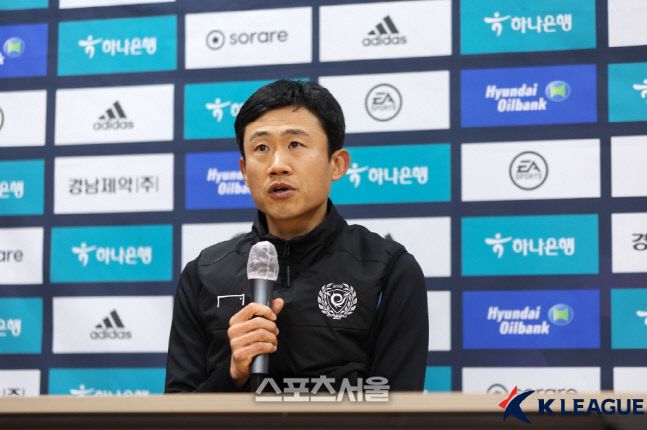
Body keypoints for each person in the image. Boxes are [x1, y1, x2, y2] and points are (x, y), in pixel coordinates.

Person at [165, 80, 428, 392]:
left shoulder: (389, 270)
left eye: (295, 145)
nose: (277, 166)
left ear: (337, 164)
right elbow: (177, 410)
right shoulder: (204, 274)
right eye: (261, 148)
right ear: (244, 171)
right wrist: (232, 374)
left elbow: (398, 407)